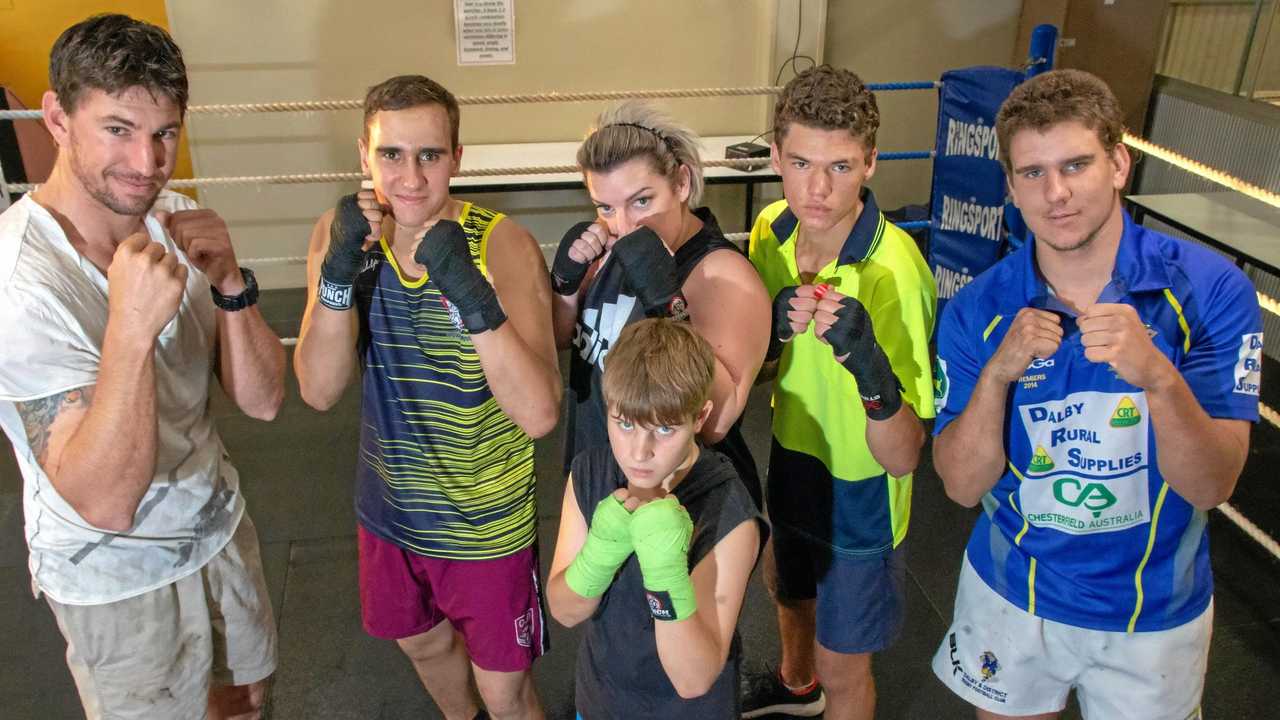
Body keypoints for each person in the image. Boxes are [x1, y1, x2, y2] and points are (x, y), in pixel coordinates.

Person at [930, 69, 1262, 720]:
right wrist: (998, 374)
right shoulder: (978, 310)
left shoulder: (1209, 291)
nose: (1055, 193)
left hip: (1153, 605)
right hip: (1012, 592)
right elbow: (962, 486)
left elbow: (1212, 485)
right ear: (1010, 187)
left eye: (1076, 164)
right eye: (1032, 173)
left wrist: (1160, 378)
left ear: (1118, 164)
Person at [0, 14, 286, 720]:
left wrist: (229, 288)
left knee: (247, 705)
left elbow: (264, 403)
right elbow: (104, 502)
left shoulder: (176, 216)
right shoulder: (20, 284)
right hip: (116, 581)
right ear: (58, 118)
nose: (148, 163)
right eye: (118, 129)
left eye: (164, 134)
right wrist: (128, 331)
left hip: (218, 531)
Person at [294, 74, 560, 720]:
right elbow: (319, 389)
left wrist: (471, 296)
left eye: (429, 156)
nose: (409, 177)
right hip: (389, 512)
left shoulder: (503, 245)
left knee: (505, 692)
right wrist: (337, 275)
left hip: (484, 524)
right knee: (422, 643)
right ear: (364, 154)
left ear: (457, 159)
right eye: (391, 155)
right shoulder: (342, 232)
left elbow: (539, 412)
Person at [741, 65, 937, 720]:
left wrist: (870, 368)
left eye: (841, 168)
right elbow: (761, 366)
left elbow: (907, 453)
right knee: (788, 587)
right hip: (793, 451)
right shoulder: (772, 228)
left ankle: (822, 686)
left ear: (872, 162)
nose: (817, 189)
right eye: (800, 163)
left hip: (863, 486)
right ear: (775, 157)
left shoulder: (895, 271)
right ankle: (795, 687)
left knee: (846, 665)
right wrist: (767, 331)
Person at [549, 100, 771, 510]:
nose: (624, 225)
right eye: (605, 206)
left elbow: (718, 420)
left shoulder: (722, 275)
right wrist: (565, 287)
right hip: (601, 478)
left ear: (681, 183)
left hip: (684, 505)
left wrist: (669, 305)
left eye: (642, 201)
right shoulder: (606, 248)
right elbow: (569, 341)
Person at [547, 318, 766, 719]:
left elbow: (693, 679)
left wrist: (665, 570)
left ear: (699, 418)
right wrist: (599, 555)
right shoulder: (590, 472)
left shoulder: (729, 511)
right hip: (600, 701)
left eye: (664, 429)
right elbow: (564, 611)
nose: (638, 452)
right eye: (625, 424)